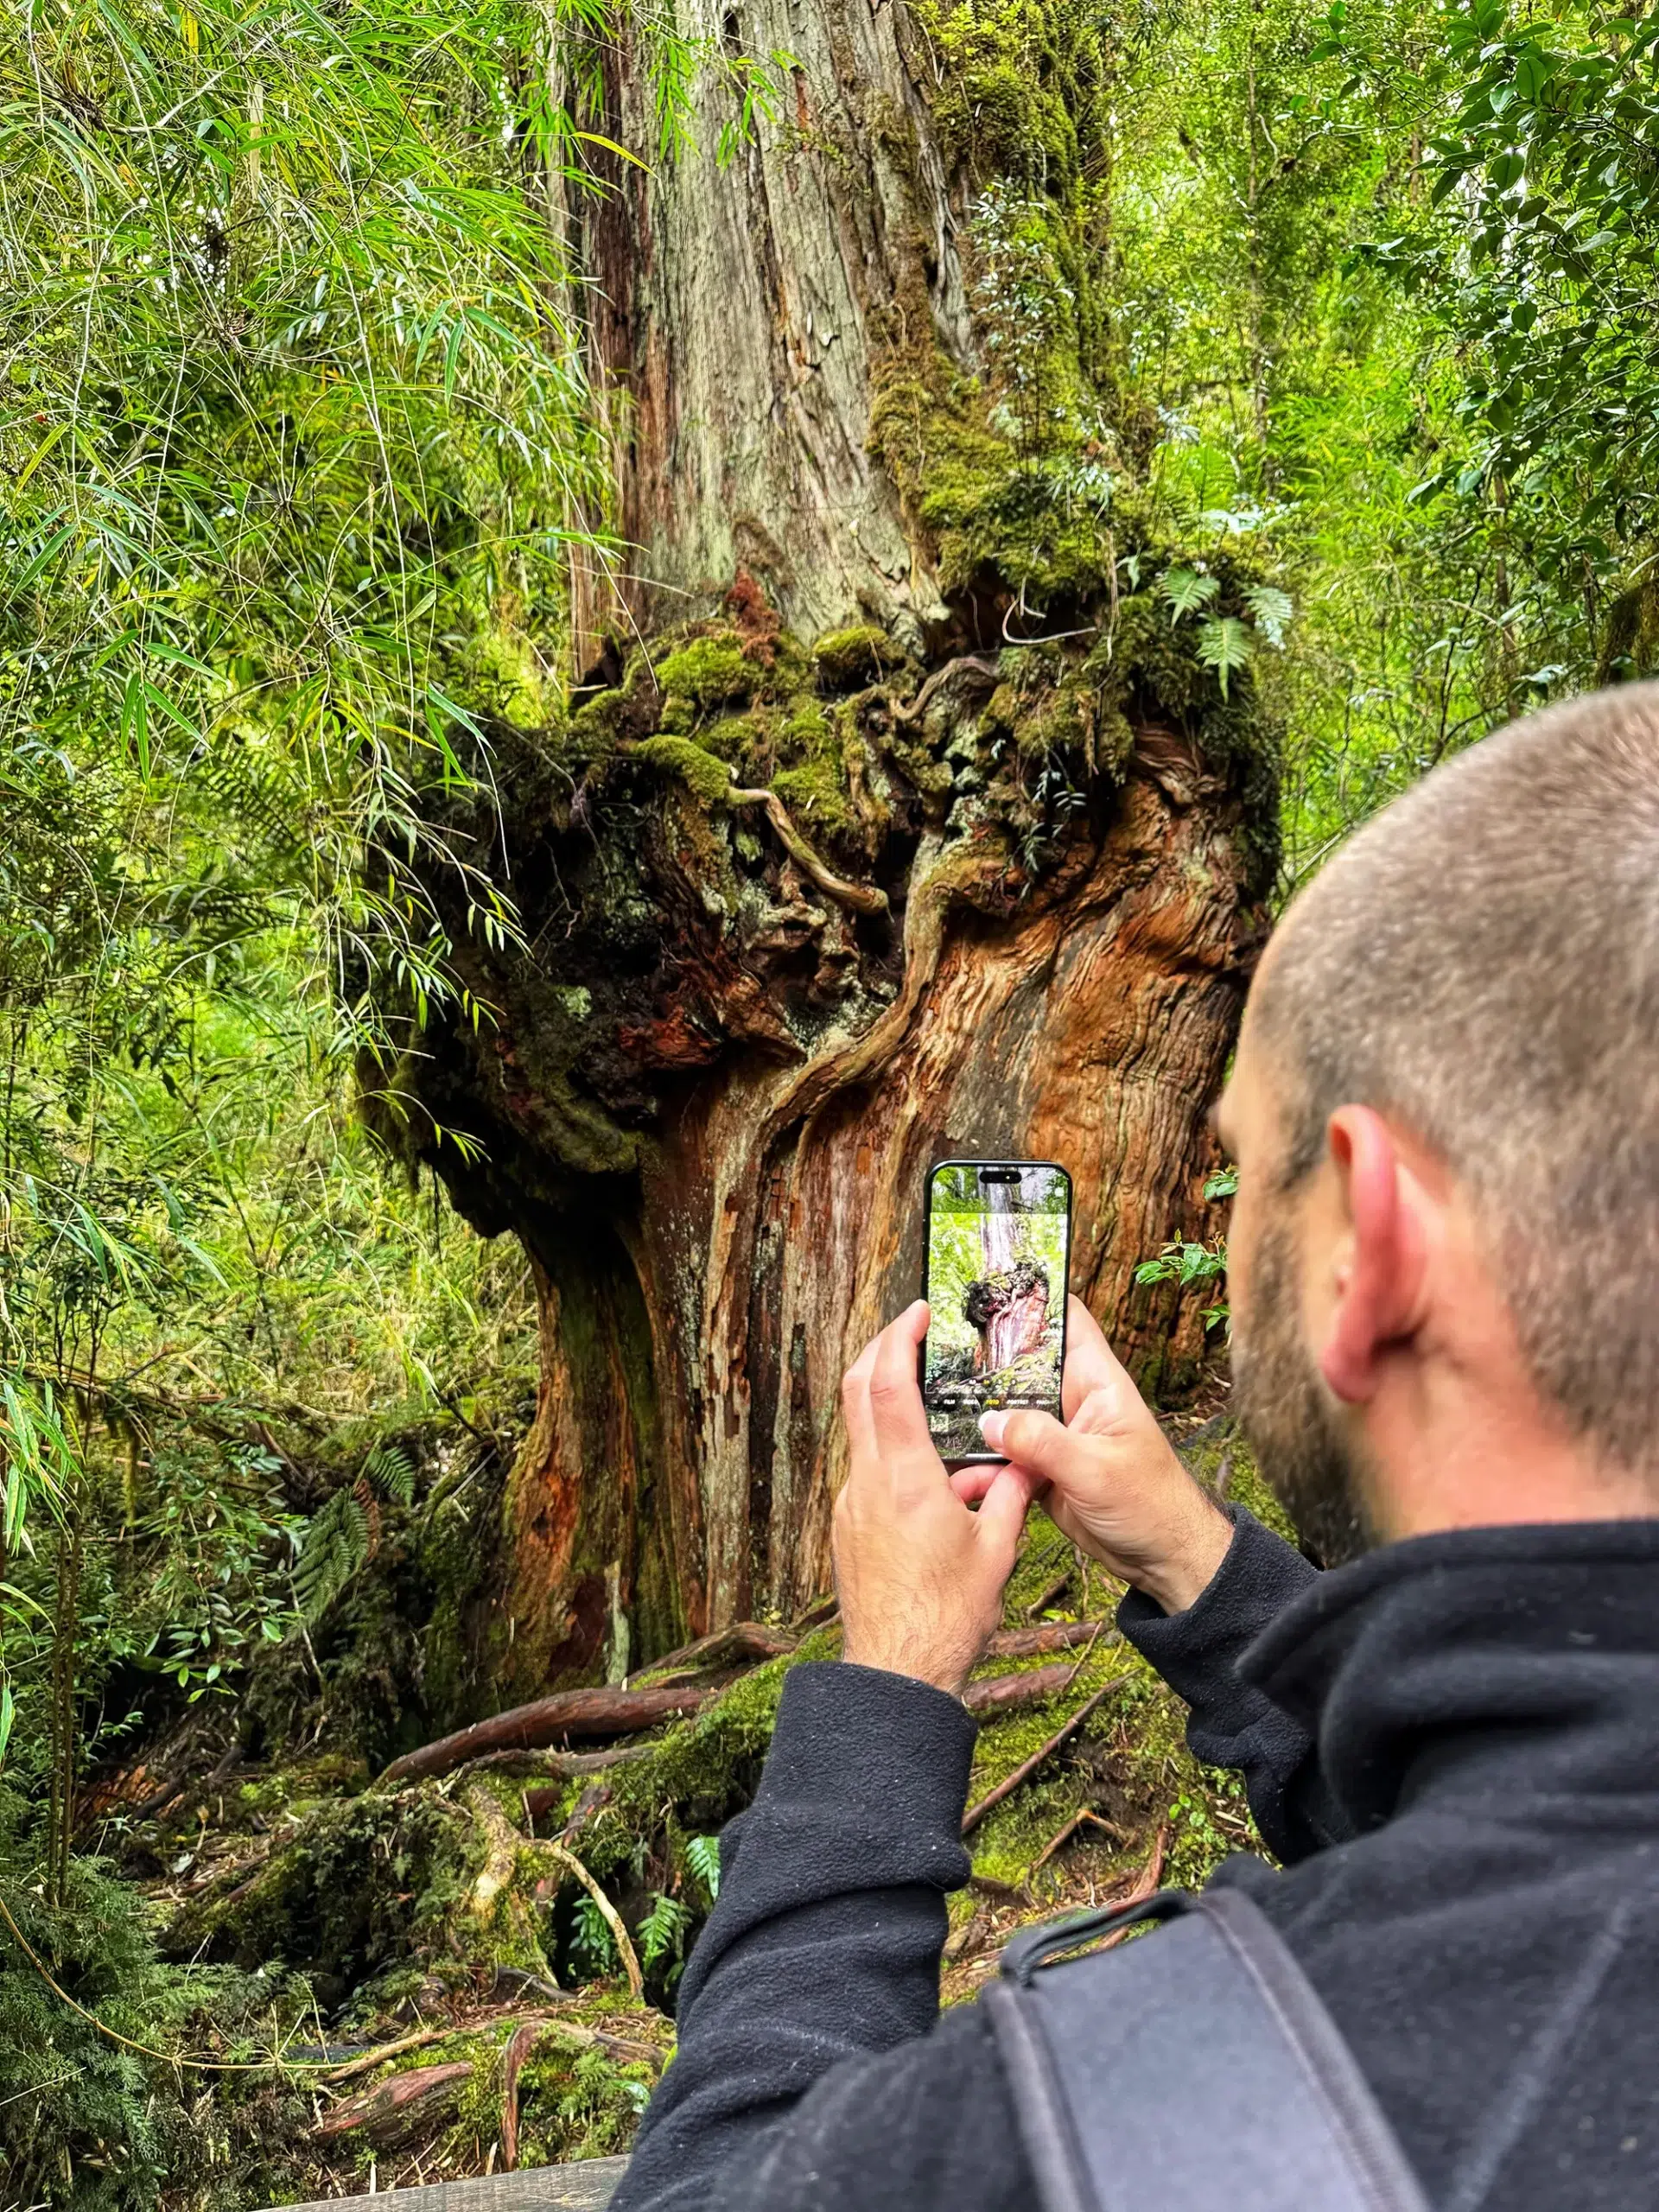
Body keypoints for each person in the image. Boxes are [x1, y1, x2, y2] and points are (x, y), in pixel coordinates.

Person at [609, 687, 1659, 2212]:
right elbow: (1522, 1838)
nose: (1224, 1230)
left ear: (1369, 1247)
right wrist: (1198, 1560)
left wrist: (890, 1687)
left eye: (1240, 1172)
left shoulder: (1148, 2110)